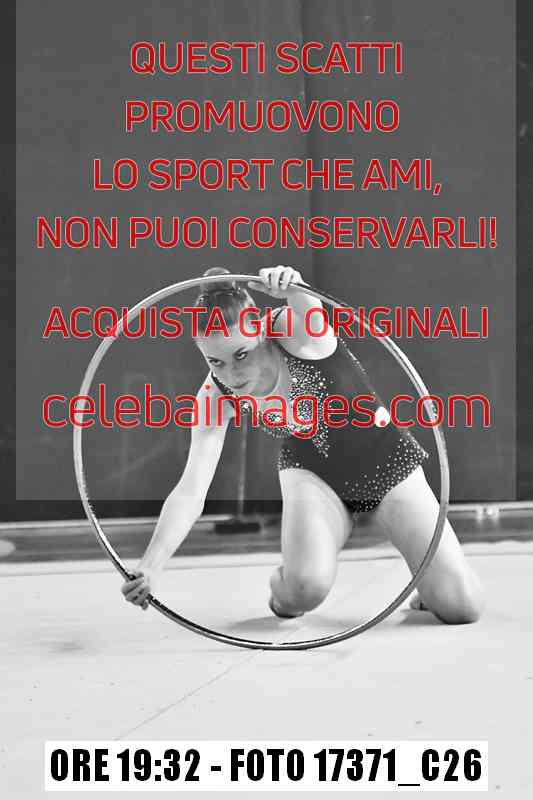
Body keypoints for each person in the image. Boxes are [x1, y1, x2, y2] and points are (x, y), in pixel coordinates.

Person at [122, 265, 483, 624]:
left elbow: (309, 307)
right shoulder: (214, 395)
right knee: (304, 589)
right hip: (313, 473)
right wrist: (151, 567)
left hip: (386, 460)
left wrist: (293, 285)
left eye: (241, 354)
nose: (231, 375)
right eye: (216, 361)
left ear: (260, 330)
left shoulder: (293, 330)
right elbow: (191, 490)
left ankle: (431, 582)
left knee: (461, 606)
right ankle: (286, 589)